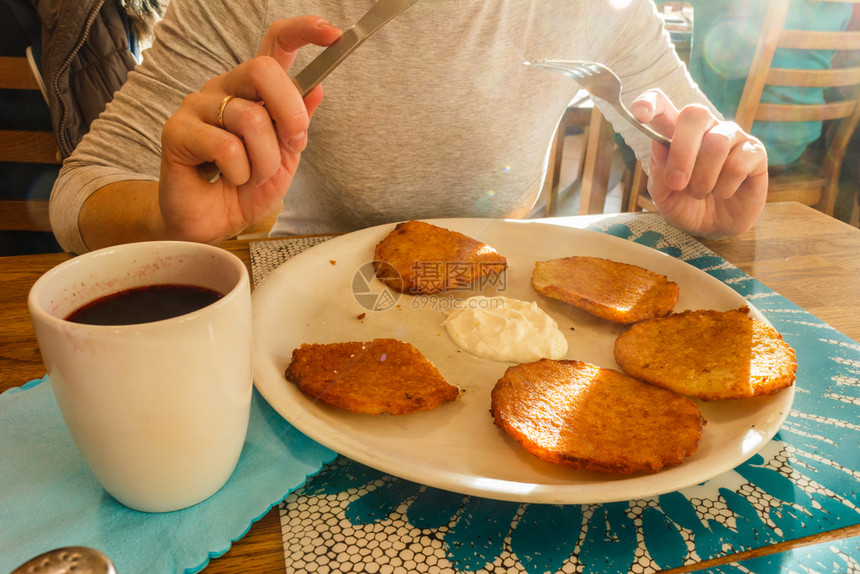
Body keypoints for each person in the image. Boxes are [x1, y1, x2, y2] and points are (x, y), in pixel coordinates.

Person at [49, 0, 769, 255]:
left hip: (510, 325)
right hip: (296, 334)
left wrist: (712, 186)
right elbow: (79, 194)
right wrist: (175, 221)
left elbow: (692, 152)